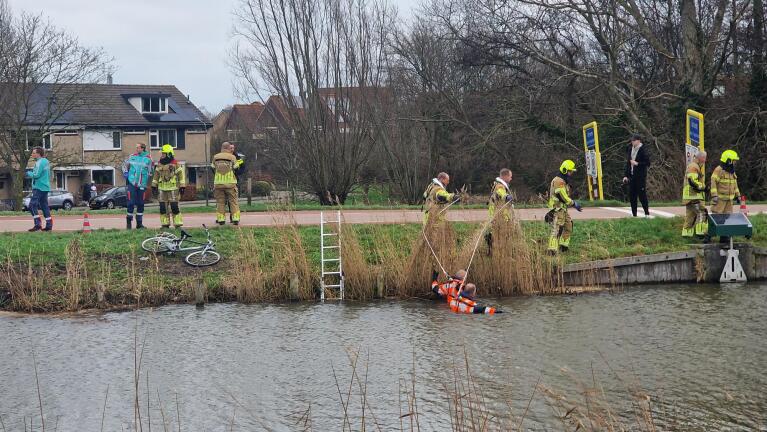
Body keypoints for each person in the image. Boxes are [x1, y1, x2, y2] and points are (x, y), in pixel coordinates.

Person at [547, 160, 582, 254]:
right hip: (557, 209)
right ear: (565, 170)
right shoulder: (559, 181)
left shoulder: (564, 180)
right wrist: (574, 204)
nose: (571, 173)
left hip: (563, 209)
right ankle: (552, 250)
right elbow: (563, 197)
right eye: (570, 171)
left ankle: (563, 246)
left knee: (569, 226)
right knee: (556, 228)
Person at [430, 270, 499, 314]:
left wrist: (434, 279)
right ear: (463, 278)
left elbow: (435, 289)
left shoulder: (448, 285)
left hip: (450, 305)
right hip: (460, 305)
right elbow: (479, 308)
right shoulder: (462, 286)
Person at [152, 144, 187, 228]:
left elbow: (181, 175)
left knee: (174, 207)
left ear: (169, 154)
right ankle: (165, 225)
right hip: (162, 189)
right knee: (162, 208)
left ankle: (178, 224)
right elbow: (156, 175)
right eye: (162, 153)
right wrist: (153, 186)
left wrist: (182, 186)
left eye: (164, 153)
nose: (162, 155)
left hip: (173, 189)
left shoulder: (176, 164)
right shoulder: (159, 164)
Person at [122, 142, 153, 229]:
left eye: (138, 147)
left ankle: (139, 224)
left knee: (140, 203)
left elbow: (151, 171)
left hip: (142, 184)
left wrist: (147, 176)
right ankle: (129, 222)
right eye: (136, 148)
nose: (137, 149)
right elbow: (124, 165)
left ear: (143, 148)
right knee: (130, 203)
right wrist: (125, 173)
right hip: (132, 183)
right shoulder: (132, 156)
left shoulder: (148, 158)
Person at [211, 142, 243, 225]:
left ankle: (221, 220)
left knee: (220, 202)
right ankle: (235, 218)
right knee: (233, 201)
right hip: (230, 183)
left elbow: (212, 168)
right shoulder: (232, 157)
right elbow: (236, 168)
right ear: (229, 148)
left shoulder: (216, 157)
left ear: (222, 148)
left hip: (218, 183)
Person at [622, 133, 651, 217]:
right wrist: (625, 175)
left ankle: (646, 213)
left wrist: (637, 163)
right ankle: (634, 214)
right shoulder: (630, 149)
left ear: (638, 141)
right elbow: (628, 163)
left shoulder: (643, 150)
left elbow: (648, 163)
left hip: (640, 176)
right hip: (631, 176)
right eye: (631, 140)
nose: (632, 142)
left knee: (642, 195)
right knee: (632, 195)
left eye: (634, 140)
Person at [681, 151, 708, 238]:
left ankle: (686, 234)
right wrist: (703, 187)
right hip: (694, 195)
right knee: (702, 213)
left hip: (689, 196)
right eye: (704, 158)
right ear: (700, 158)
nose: (705, 160)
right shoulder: (694, 166)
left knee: (691, 215)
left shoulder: (693, 165)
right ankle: (700, 233)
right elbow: (692, 181)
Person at [26, 147, 52, 232]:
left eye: (33, 153)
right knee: (44, 206)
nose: (32, 154)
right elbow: (49, 174)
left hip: (39, 187)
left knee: (32, 205)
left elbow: (36, 175)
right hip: (45, 187)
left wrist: (28, 173)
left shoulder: (39, 162)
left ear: (38, 154)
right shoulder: (46, 162)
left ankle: (37, 225)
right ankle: (49, 225)